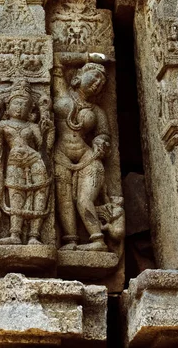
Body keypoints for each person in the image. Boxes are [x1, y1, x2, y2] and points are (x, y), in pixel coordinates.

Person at [0, 80, 53, 245]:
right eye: (16, 103)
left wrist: (47, 128)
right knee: (15, 193)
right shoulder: (3, 124)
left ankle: (34, 235)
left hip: (35, 160)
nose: (19, 107)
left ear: (30, 109)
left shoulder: (32, 126)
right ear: (8, 107)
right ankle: (15, 234)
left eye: (24, 104)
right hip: (14, 161)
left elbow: (45, 147)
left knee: (40, 192)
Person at [53, 61, 111, 251]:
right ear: (78, 77)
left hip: (88, 157)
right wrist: (89, 55)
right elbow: (58, 62)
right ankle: (70, 240)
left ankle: (97, 240)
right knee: (64, 199)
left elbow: (104, 135)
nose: (98, 83)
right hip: (60, 155)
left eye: (102, 83)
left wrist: (100, 142)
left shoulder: (98, 111)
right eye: (95, 77)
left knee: (84, 199)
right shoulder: (61, 94)